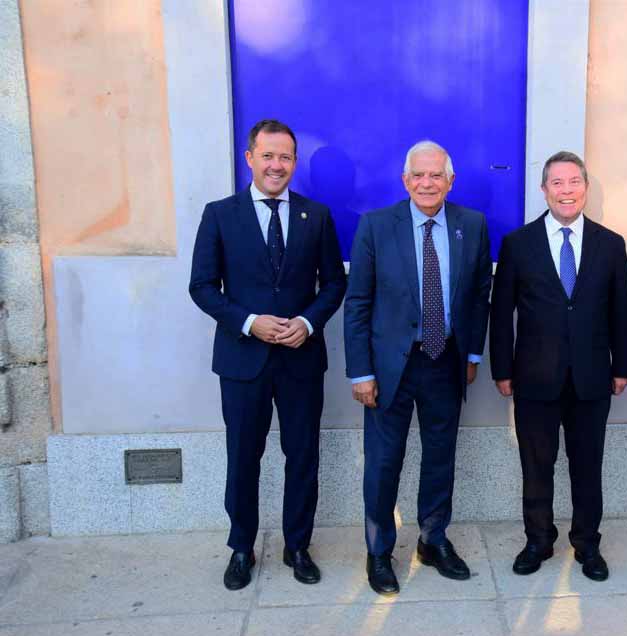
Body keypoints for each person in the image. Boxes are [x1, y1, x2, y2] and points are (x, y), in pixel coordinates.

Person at [189, 119, 346, 590]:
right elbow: (201, 286)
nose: (277, 165)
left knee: (302, 456)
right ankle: (241, 546)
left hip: (300, 359)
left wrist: (307, 322)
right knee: (243, 456)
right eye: (268, 155)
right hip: (242, 360)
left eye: (285, 157)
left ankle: (297, 546)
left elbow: (335, 283)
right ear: (250, 158)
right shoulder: (220, 214)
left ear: (294, 163)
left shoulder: (315, 215)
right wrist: (249, 321)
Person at [343, 140, 492, 595]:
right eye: (418, 176)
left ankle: (432, 540)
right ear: (405, 180)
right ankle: (379, 552)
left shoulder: (472, 224)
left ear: (450, 181)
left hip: (445, 361)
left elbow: (479, 294)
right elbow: (358, 303)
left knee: (440, 457)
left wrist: (471, 355)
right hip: (390, 369)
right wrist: (360, 372)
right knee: (384, 463)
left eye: (436, 175)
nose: (427, 183)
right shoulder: (376, 226)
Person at [490, 151, 627, 581]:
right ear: (544, 189)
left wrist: (621, 365)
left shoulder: (611, 244)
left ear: (585, 188)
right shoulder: (518, 244)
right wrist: (502, 369)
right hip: (535, 378)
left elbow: (620, 311)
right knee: (537, 464)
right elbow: (501, 313)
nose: (566, 191)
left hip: (592, 378)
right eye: (557, 183)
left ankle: (588, 543)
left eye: (574, 182)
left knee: (587, 465)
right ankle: (539, 539)